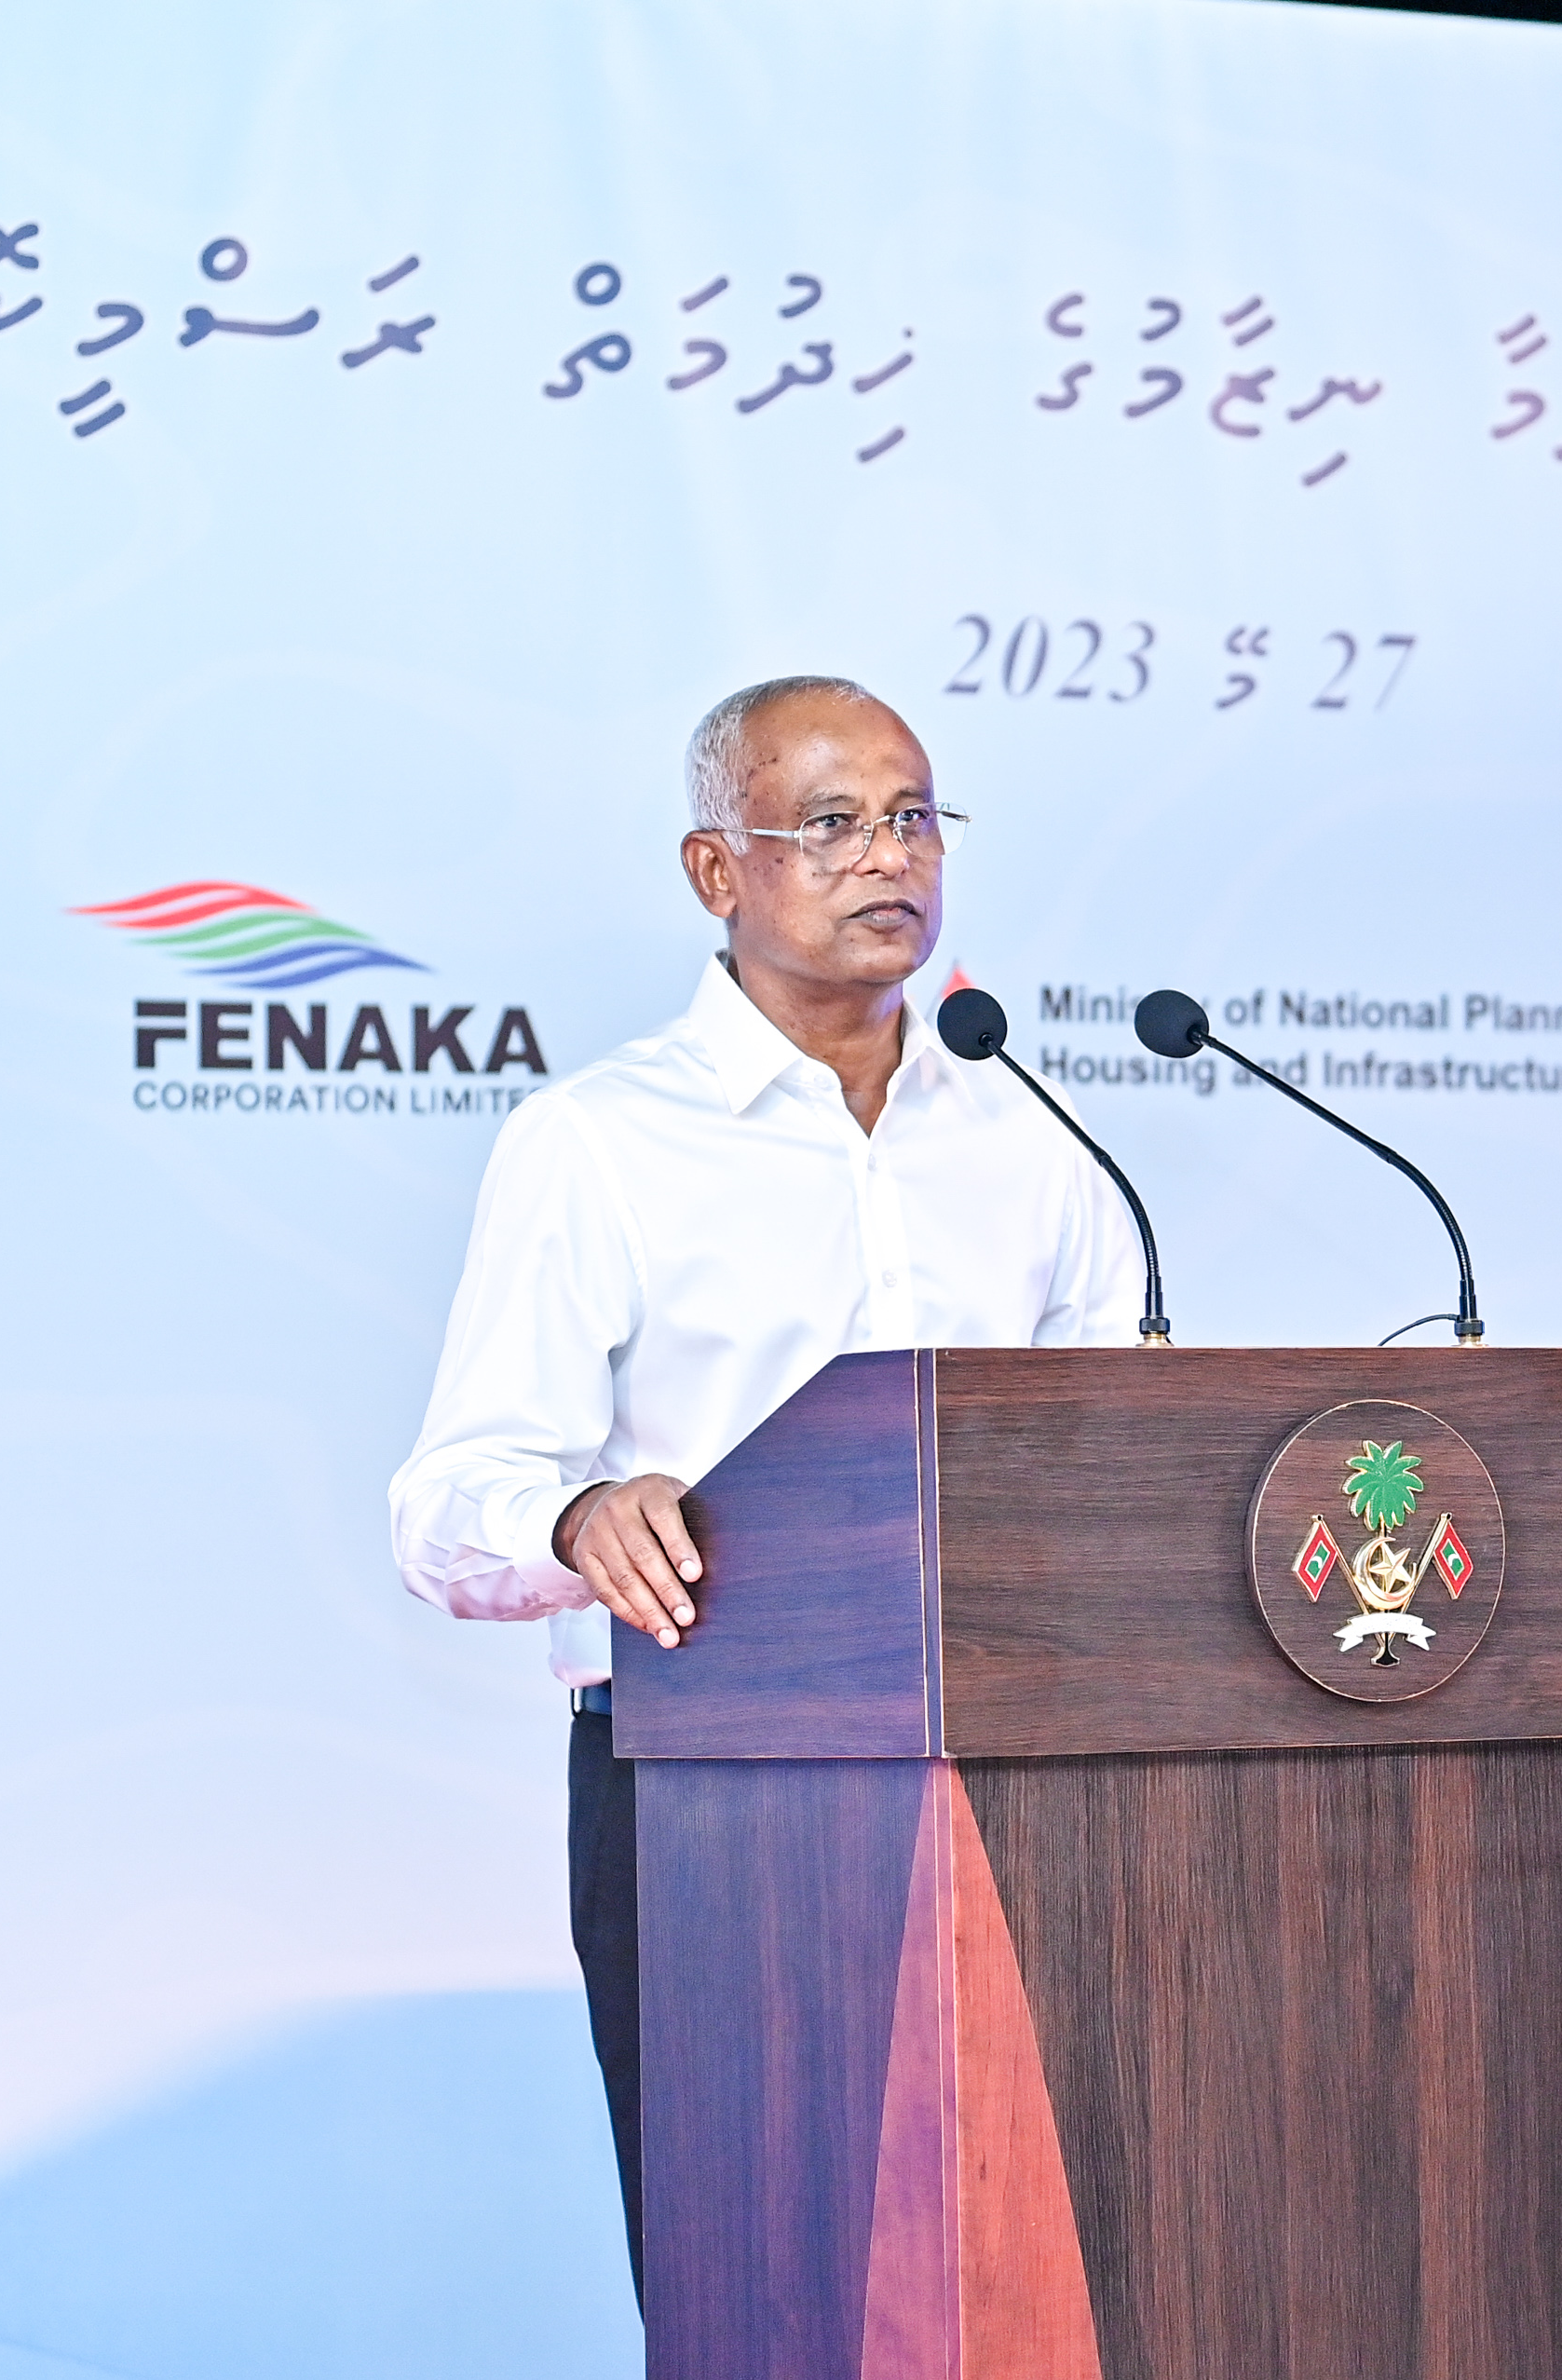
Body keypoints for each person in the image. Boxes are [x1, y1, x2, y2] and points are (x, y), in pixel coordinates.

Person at [386, 674, 1144, 2300]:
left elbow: (1120, 1467)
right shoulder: (599, 1142)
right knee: (761, 2283)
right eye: (834, 823)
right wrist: (579, 1522)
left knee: (1035, 2272)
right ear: (715, 872)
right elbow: (452, 1502)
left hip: (1028, 1797)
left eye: (916, 816)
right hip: (704, 1801)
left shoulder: (1037, 1139)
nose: (893, 858)